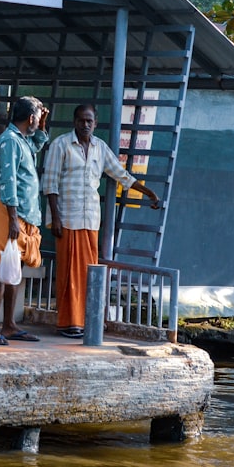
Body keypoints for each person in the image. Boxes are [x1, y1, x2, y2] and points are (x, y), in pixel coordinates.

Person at [41, 103, 160, 338]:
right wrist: (55, 217)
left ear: (95, 123)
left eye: (89, 121)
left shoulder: (100, 148)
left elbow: (121, 174)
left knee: (88, 273)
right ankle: (68, 322)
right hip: (66, 218)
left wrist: (148, 193)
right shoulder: (61, 144)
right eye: (81, 120)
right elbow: (50, 183)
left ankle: (87, 320)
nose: (85, 125)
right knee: (68, 272)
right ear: (74, 122)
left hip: (90, 220)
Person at [0, 96, 49, 346]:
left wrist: (41, 126)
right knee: (1, 269)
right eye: (37, 118)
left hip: (24, 215)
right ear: (30, 117)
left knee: (15, 270)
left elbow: (37, 146)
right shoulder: (9, 141)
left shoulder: (21, 140)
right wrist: (12, 218)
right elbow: (8, 180)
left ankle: (9, 324)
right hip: (11, 214)